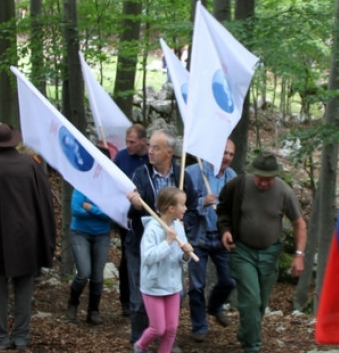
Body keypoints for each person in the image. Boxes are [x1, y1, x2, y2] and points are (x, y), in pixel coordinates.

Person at [0, 123, 56, 351]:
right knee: (24, 289)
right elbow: (44, 203)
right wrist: (44, 236)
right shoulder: (31, 165)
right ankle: (21, 337)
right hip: (27, 237)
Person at [217, 151, 307, 353]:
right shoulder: (238, 185)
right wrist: (225, 230)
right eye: (260, 178)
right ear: (252, 173)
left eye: (269, 179)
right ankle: (252, 346)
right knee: (251, 300)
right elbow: (222, 209)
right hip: (243, 251)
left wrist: (299, 255)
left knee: (259, 305)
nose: (264, 183)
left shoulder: (284, 192)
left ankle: (246, 331)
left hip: (270, 253)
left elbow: (299, 224)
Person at [125, 129, 199, 350]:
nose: (150, 151)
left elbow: (192, 207)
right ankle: (139, 342)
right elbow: (131, 207)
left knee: (176, 293)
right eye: (149, 146)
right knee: (140, 299)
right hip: (143, 240)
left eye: (156, 147)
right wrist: (134, 203)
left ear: (169, 151)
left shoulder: (181, 175)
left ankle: (167, 340)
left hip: (172, 249)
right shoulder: (140, 174)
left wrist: (184, 228)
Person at [184, 139, 237, 341]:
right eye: (224, 152)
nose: (227, 158)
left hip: (221, 236)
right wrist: (201, 202)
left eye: (231, 154)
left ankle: (214, 307)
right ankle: (199, 326)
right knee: (197, 285)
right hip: (198, 236)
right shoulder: (193, 172)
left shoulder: (232, 177)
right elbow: (181, 204)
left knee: (229, 279)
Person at [133, 187, 194, 353]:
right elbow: (148, 258)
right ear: (171, 208)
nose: (186, 208)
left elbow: (180, 260)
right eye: (183, 205)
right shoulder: (152, 229)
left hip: (173, 286)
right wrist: (167, 242)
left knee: (171, 329)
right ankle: (140, 346)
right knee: (158, 329)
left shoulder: (178, 228)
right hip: (153, 286)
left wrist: (186, 254)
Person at [66, 147, 112, 325]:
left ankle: (93, 311)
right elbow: (76, 209)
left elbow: (112, 212)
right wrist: (101, 210)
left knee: (98, 276)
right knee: (84, 272)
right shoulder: (83, 180)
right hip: (80, 233)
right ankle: (73, 302)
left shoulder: (111, 184)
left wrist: (91, 208)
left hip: (102, 234)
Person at [114, 123, 150, 317]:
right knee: (129, 257)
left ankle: (147, 299)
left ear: (143, 142)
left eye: (132, 142)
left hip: (149, 216)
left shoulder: (150, 157)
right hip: (127, 216)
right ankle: (127, 300)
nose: (128, 145)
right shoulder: (121, 157)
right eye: (127, 141)